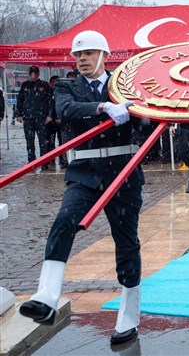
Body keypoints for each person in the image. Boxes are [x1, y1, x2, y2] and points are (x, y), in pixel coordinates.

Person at [19, 30, 143, 345]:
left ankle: (128, 317)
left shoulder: (125, 85)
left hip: (123, 173)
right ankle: (46, 296)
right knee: (64, 221)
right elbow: (66, 110)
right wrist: (103, 108)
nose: (82, 59)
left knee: (126, 243)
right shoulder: (67, 85)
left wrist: (139, 113)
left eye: (88, 53)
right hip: (84, 171)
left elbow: (148, 118)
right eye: (78, 55)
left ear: (104, 55)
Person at [16, 65, 52, 168]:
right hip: (28, 117)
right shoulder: (25, 85)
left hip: (42, 117)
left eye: (36, 73)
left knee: (43, 140)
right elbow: (20, 100)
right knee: (29, 140)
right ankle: (31, 161)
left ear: (39, 74)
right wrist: (18, 114)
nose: (34, 75)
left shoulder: (44, 85)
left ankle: (44, 162)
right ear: (29, 74)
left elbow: (50, 101)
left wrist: (49, 115)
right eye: (32, 73)